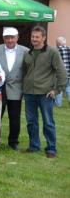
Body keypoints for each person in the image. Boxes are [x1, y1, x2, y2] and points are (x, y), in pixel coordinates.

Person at [22, 26, 67, 158]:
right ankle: (34, 146)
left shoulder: (52, 52)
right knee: (31, 121)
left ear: (44, 38)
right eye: (32, 36)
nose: (34, 39)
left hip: (45, 93)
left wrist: (57, 90)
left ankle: (51, 148)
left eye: (37, 37)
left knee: (48, 121)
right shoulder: (28, 53)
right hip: (29, 93)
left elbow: (62, 72)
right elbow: (25, 72)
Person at [0, 27, 29, 150]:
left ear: (17, 38)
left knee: (15, 117)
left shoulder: (25, 51)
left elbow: (28, 70)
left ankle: (13, 142)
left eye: (12, 37)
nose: (9, 40)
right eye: (7, 37)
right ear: (3, 38)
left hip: (16, 88)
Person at [55, 36, 70, 107]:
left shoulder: (56, 50)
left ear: (58, 43)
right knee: (68, 88)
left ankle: (58, 104)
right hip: (68, 74)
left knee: (59, 88)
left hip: (59, 74)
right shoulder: (69, 49)